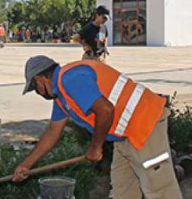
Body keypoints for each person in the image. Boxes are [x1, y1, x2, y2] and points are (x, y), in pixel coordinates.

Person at [13, 56, 181, 199]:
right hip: (124, 136)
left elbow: (106, 110)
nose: (38, 93)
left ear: (41, 78)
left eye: (35, 88)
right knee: (123, 191)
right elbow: (52, 134)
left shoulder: (71, 79)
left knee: (160, 190)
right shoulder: (61, 97)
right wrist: (25, 166)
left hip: (145, 125)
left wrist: (95, 147)